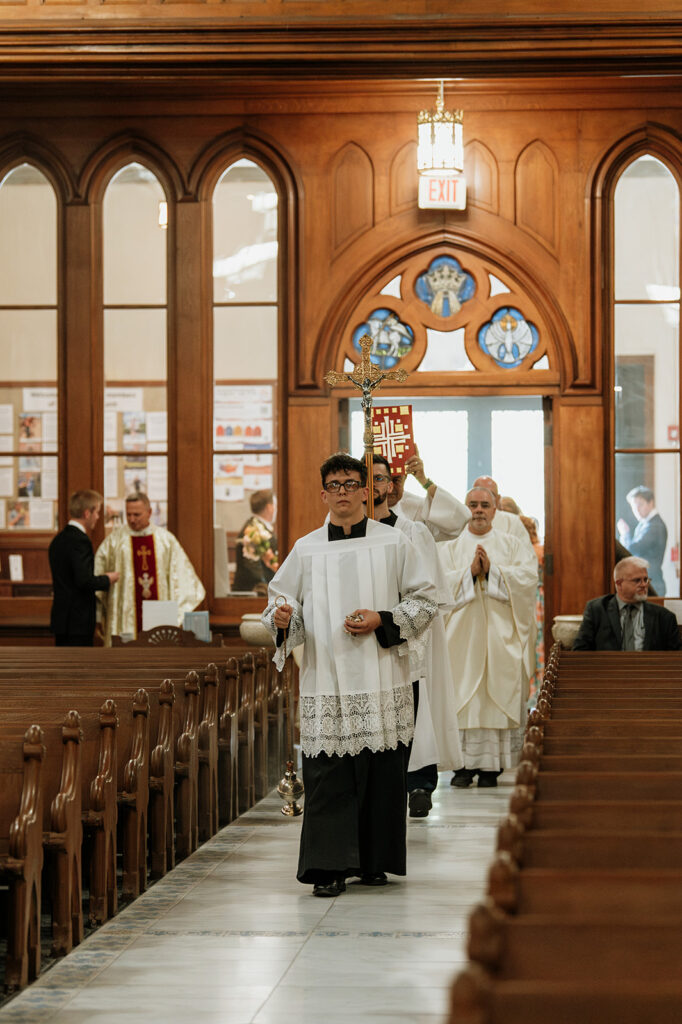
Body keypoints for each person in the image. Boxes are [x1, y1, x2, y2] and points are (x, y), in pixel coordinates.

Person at [262, 452, 438, 897]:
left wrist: (383, 618)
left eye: (350, 484)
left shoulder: (393, 542)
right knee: (328, 776)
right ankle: (328, 867)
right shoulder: (306, 548)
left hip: (382, 674)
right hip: (326, 677)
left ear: (367, 491)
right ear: (323, 493)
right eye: (334, 485)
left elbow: (424, 601)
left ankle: (374, 861)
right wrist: (284, 618)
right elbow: (281, 602)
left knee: (381, 774)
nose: (342, 492)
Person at [371, 453, 463, 818]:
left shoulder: (412, 522)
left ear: (393, 482)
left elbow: (457, 521)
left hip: (412, 630)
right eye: (368, 478)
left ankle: (420, 783)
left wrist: (424, 480)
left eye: (383, 479)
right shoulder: (351, 525)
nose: (377, 486)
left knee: (419, 706)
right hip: (370, 632)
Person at [441, 487, 538, 788]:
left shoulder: (511, 544)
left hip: (500, 635)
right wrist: (467, 573)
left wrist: (494, 571)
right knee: (462, 698)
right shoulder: (449, 547)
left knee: (495, 695)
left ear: (496, 510)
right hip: (461, 638)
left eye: (485, 505)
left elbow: (528, 579)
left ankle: (491, 768)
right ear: (465, 508)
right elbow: (435, 586)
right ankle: (461, 766)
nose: (479, 510)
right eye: (473, 505)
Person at [94, 491, 205, 645]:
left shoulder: (166, 541)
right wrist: (100, 614)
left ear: (149, 512)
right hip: (126, 621)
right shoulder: (114, 542)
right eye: (128, 514)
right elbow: (97, 579)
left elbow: (184, 581)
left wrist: (176, 616)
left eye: (137, 514)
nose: (132, 520)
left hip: (160, 617)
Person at [48, 489, 120, 647]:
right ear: (87, 513)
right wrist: (108, 579)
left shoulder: (58, 539)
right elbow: (84, 581)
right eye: (97, 512)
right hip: (77, 621)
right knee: (76, 668)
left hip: (62, 619)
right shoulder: (80, 541)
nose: (98, 517)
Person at [573, 556, 681, 651]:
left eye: (646, 579)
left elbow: (675, 659)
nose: (644, 585)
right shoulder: (597, 610)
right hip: (608, 672)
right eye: (637, 580)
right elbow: (580, 651)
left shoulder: (664, 617)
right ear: (619, 584)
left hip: (649, 673)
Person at [387, 444, 470, 541]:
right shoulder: (365, 509)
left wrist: (424, 481)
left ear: (405, 478)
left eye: (397, 480)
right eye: (383, 479)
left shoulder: (417, 509)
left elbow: (460, 522)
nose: (390, 488)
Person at [617, 486, 668, 596]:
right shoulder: (645, 524)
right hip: (647, 581)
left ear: (651, 503)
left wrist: (625, 534)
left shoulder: (655, 525)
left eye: (640, 505)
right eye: (633, 507)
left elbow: (633, 550)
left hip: (652, 583)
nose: (637, 510)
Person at [232, 489, 279, 592]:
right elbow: (252, 566)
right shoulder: (252, 530)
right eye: (275, 505)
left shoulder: (259, 526)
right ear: (269, 507)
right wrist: (270, 587)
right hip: (253, 592)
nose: (276, 509)